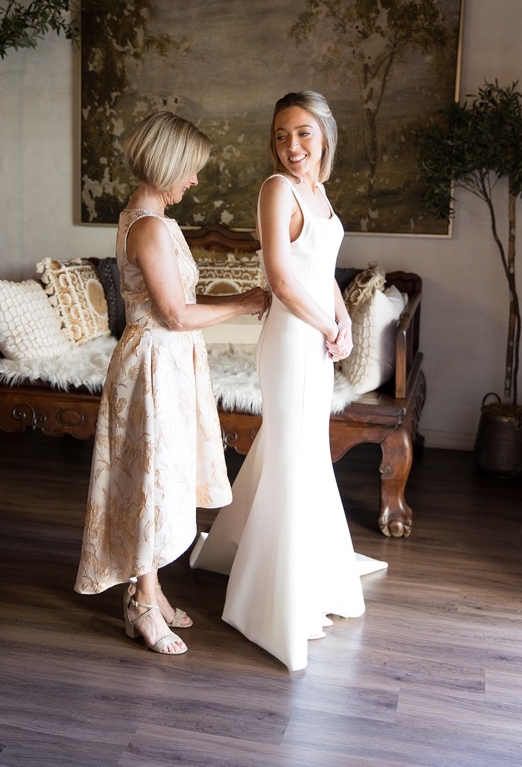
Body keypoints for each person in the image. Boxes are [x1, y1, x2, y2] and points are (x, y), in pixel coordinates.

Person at [74, 110, 271, 656]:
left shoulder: (148, 217)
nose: (195, 180)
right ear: (168, 165)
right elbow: (176, 314)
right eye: (190, 170)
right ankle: (141, 602)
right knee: (151, 484)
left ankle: (151, 587)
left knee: (161, 478)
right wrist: (247, 301)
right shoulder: (150, 226)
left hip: (167, 363)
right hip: (153, 367)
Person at [189, 90, 366, 671]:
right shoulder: (277, 190)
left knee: (299, 450)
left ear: (325, 136)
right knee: (296, 454)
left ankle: (240, 548)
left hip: (315, 336)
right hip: (291, 341)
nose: (292, 146)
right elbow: (284, 280)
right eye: (282, 135)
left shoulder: (319, 192)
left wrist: (343, 321)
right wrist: (325, 328)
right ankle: (273, 598)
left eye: (303, 134)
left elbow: (323, 273)